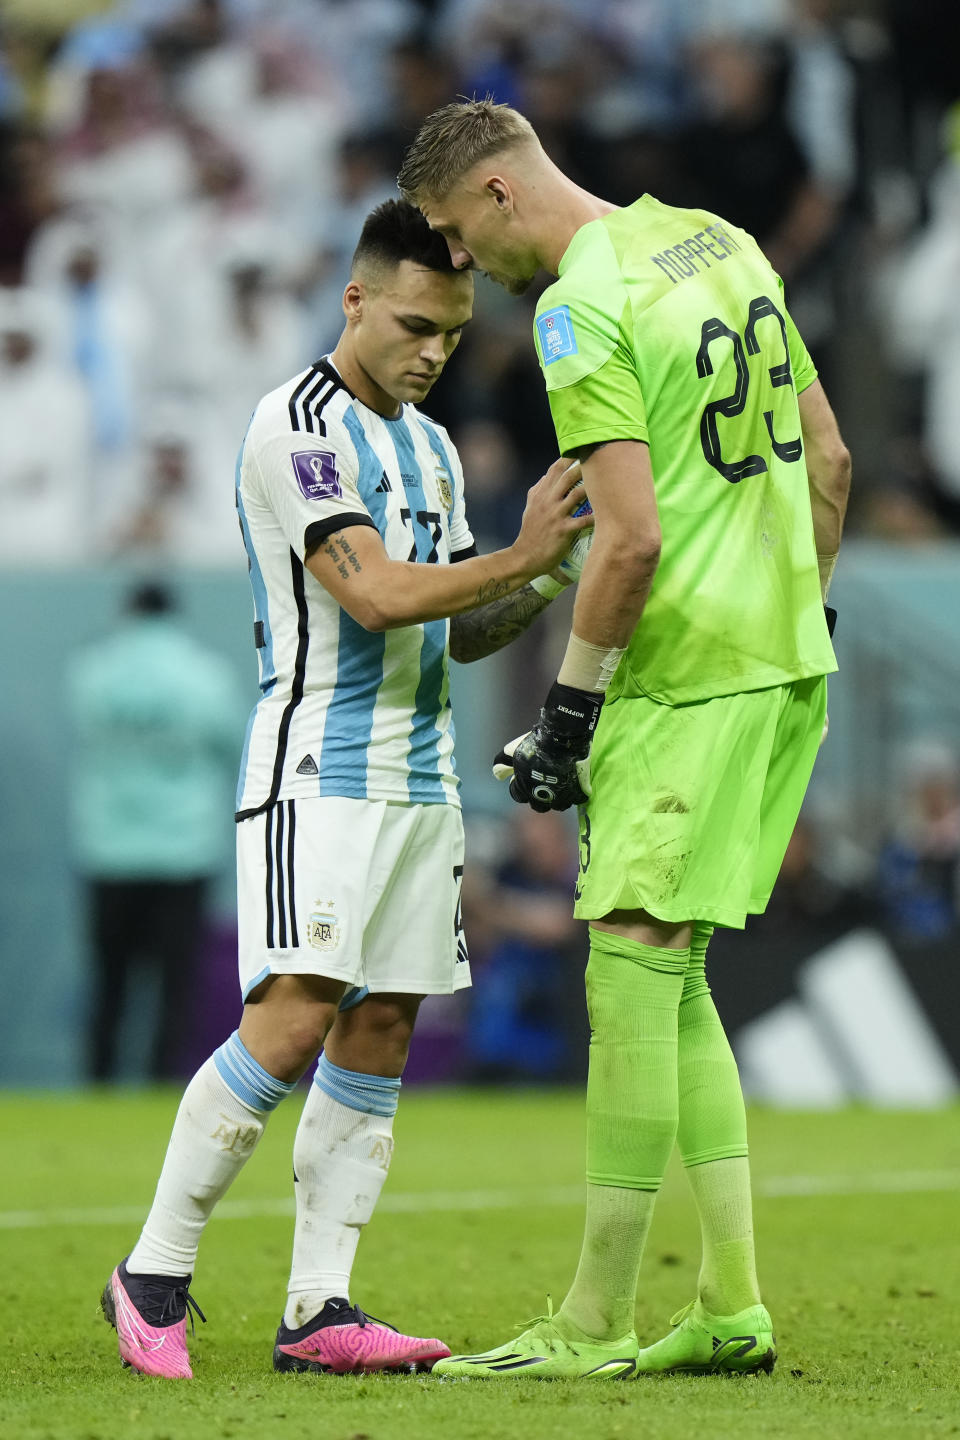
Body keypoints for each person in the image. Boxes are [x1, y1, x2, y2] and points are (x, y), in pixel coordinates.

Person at [100, 198, 591, 1380]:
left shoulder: (426, 447)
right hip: (316, 767)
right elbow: (371, 594)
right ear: (355, 300)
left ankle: (320, 1308)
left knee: (381, 1026)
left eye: (455, 334)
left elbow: (462, 629)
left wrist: (544, 573)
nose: (433, 351)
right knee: (292, 1016)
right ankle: (154, 1270)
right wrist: (520, 553)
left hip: (421, 780)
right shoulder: (295, 426)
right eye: (416, 324)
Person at [399, 99, 851, 1380]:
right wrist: (798, 610)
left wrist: (567, 713)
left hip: (684, 675)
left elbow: (633, 535)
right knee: (678, 970)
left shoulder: (577, 304)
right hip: (782, 660)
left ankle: (591, 1321)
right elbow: (828, 456)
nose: (465, 267)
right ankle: (731, 1305)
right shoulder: (718, 241)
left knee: (628, 965)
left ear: (492, 194)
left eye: (455, 237)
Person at [67, 580, 244, 1081]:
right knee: (175, 982)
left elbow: (88, 734)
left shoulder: (93, 672)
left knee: (109, 980)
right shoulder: (203, 675)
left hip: (108, 846)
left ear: (128, 610)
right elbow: (229, 746)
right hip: (182, 847)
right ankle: (162, 1084)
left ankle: (98, 1080)